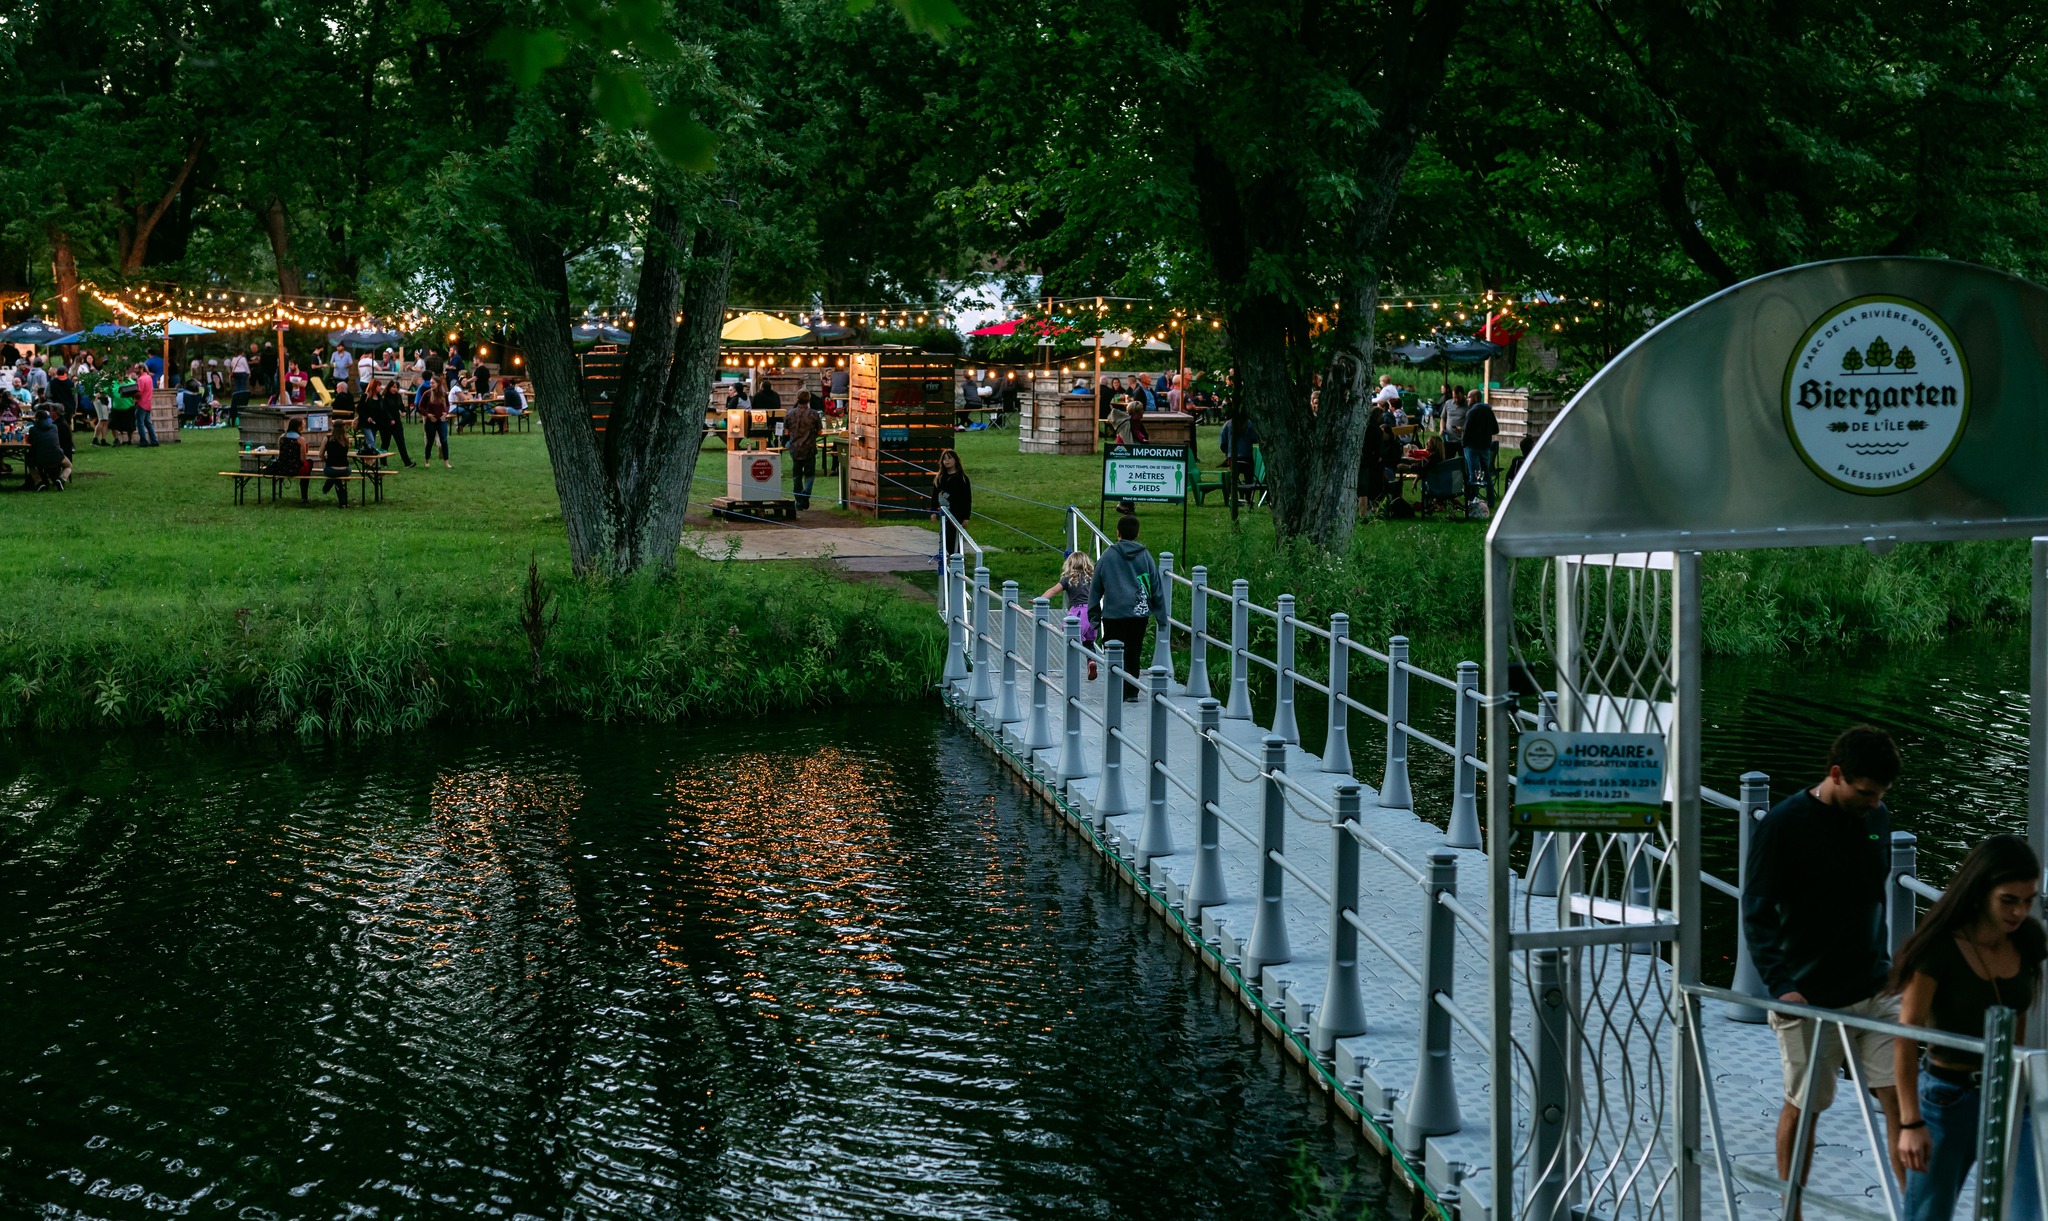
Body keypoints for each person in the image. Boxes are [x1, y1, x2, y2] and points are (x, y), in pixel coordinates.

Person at [1743, 725, 1906, 1197]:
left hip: (1875, 991)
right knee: (1805, 1107)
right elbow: (1757, 911)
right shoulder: (1782, 825)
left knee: (1901, 1103)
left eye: (1881, 794)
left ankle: (1914, 1212)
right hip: (1809, 997)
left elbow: (1872, 899)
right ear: (1836, 774)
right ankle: (1791, 1211)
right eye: (1866, 792)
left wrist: (1891, 965)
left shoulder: (1877, 818)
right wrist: (1782, 985)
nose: (1875, 803)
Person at [1889, 834, 2043, 1220]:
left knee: (2030, 1213)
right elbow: (1907, 1037)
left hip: (2010, 1098)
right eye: (2008, 900)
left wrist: (2018, 1083)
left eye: (2028, 901)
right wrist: (1910, 1122)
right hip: (1947, 1098)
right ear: (1980, 891)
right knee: (1928, 1215)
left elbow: (2018, 1015)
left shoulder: (2028, 940)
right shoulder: (1939, 948)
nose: (2019, 912)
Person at [1089, 514, 1166, 701]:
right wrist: (1161, 616)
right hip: (1139, 613)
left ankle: (1115, 689)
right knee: (1134, 651)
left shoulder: (1107, 556)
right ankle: (1131, 691)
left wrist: (1094, 617)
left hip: (1113, 614)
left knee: (1113, 652)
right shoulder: (1145, 556)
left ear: (1118, 533)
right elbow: (1155, 586)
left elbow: (1095, 587)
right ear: (1137, 533)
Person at [1042, 551, 1098, 680]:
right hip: (1092, 614)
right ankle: (1091, 661)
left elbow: (1053, 590)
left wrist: (1040, 599)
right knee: (1089, 643)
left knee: (1069, 634)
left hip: (1078, 613)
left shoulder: (1068, 578)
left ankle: (1071, 672)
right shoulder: (1093, 577)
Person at [930, 448, 972, 553]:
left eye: (949, 458)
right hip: (944, 513)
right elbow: (935, 495)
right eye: (944, 459)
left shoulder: (962, 478)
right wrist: (933, 511)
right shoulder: (940, 477)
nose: (947, 461)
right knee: (946, 538)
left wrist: (966, 517)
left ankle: (958, 559)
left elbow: (967, 499)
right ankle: (948, 558)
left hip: (957, 514)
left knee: (955, 538)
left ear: (956, 460)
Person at [785, 389, 821, 510]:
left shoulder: (790, 414)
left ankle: (799, 501)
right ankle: (805, 494)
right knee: (809, 475)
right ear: (809, 399)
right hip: (809, 447)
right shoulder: (814, 414)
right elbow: (820, 431)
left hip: (795, 448)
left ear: (797, 399)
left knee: (797, 476)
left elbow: (786, 431)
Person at [1463, 389, 1499, 506]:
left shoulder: (1472, 412)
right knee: (1486, 474)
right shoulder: (1488, 411)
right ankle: (1491, 501)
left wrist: (1464, 443)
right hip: (1485, 447)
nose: (1467, 399)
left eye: (1469, 397)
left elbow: (1466, 431)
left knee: (1473, 474)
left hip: (1472, 447)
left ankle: (1473, 501)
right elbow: (1496, 429)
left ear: (1475, 398)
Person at [25, 407, 69, 490]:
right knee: (68, 466)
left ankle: (39, 482)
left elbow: (30, 442)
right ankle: (61, 479)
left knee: (30, 464)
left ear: (37, 418)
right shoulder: (54, 427)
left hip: (40, 457)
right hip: (57, 455)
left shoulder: (33, 429)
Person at [319, 423, 354, 506]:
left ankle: (327, 488)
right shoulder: (346, 439)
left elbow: (320, 454)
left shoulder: (327, 438)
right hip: (345, 470)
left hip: (331, 469)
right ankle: (343, 502)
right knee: (338, 476)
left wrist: (326, 461)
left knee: (334, 476)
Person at [420, 376, 451, 466]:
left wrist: (446, 412)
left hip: (442, 421)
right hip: (431, 421)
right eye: (430, 383)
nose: (431, 384)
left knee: (444, 441)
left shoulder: (444, 394)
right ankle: (427, 461)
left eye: (433, 383)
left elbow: (448, 405)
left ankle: (446, 462)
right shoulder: (427, 394)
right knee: (430, 441)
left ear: (438, 384)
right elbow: (421, 406)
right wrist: (427, 414)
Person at [132, 363, 160, 447]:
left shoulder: (140, 379)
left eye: (136, 369)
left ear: (141, 369)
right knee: (148, 423)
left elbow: (139, 394)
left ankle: (143, 441)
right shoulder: (149, 377)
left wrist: (131, 394)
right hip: (148, 403)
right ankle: (154, 441)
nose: (135, 370)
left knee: (140, 423)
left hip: (141, 403)